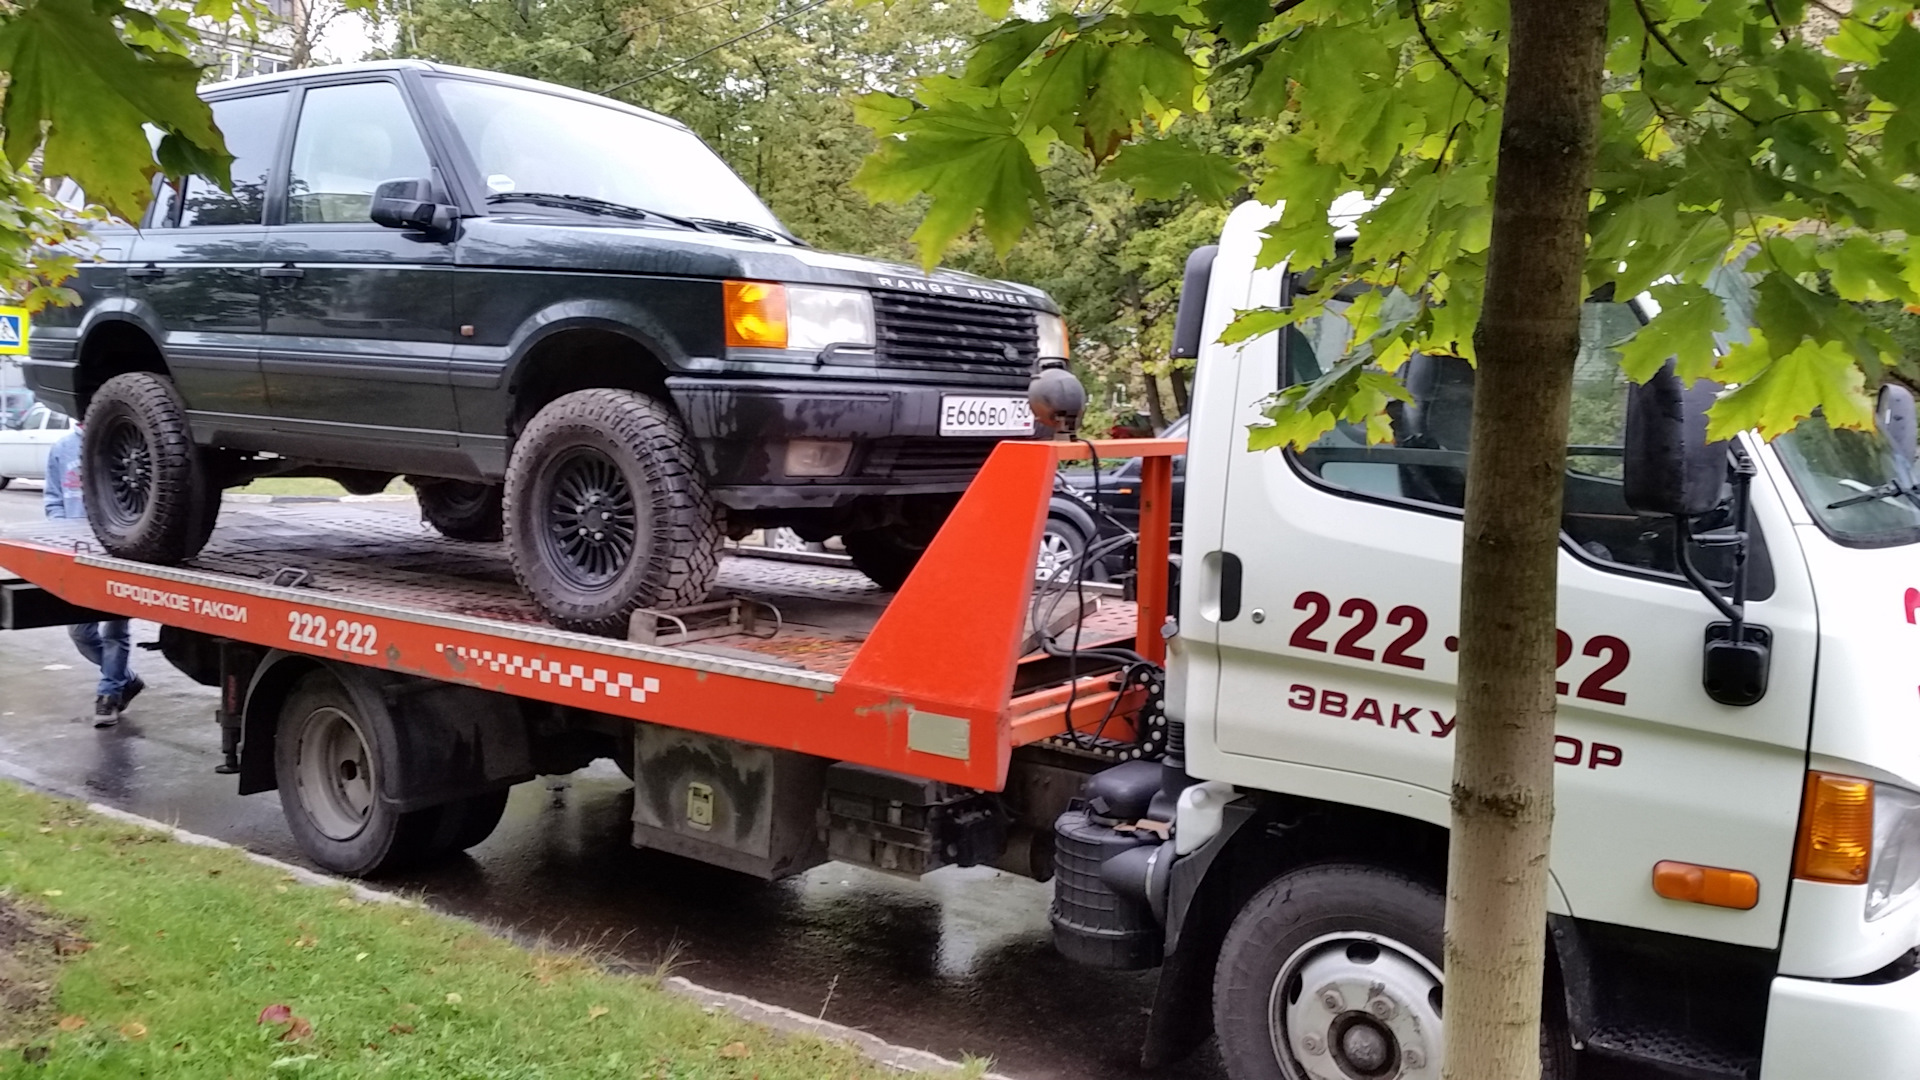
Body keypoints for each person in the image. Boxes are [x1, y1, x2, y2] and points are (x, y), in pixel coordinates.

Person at [43, 426, 143, 727]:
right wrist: (62, 535)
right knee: (81, 633)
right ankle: (126, 680)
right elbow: (54, 499)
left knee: (115, 632)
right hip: (78, 555)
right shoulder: (62, 448)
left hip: (119, 551)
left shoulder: (125, 443)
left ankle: (108, 695)